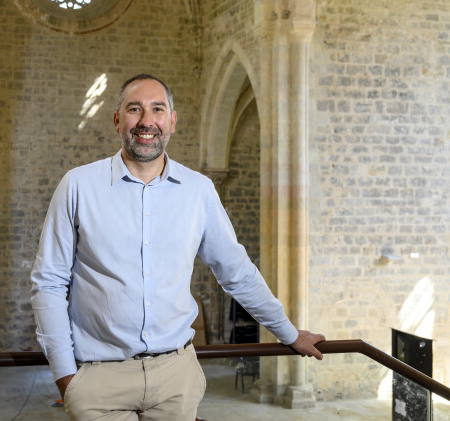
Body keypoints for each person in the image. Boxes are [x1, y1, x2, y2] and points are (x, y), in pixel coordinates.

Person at [31, 74, 325, 420]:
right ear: (116, 121)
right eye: (134, 109)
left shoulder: (198, 190)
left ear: (172, 121)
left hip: (176, 379)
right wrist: (67, 379)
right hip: (98, 377)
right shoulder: (78, 186)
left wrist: (288, 333)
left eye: (157, 109)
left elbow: (236, 272)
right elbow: (48, 283)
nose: (146, 121)